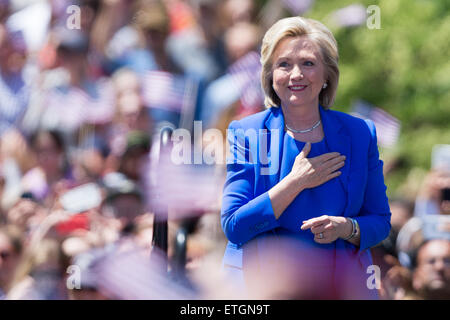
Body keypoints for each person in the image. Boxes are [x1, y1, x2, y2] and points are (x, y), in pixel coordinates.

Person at [220, 16, 391, 299]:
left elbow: (380, 221)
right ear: (270, 75)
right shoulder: (247, 133)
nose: (296, 74)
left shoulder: (360, 133)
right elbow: (234, 227)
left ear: (327, 75)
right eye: (284, 64)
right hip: (263, 288)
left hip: (340, 288)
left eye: (308, 63)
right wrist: (296, 182)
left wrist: (348, 228)